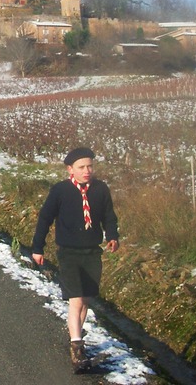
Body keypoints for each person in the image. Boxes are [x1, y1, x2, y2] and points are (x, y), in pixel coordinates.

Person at [31, 147, 119, 371]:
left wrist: (112, 236)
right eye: (82, 167)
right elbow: (45, 218)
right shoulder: (60, 191)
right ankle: (77, 348)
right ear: (70, 169)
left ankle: (75, 335)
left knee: (86, 299)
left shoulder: (100, 189)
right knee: (76, 299)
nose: (87, 171)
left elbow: (109, 215)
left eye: (90, 166)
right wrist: (37, 248)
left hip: (92, 252)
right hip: (68, 252)